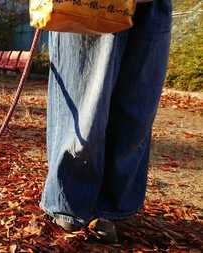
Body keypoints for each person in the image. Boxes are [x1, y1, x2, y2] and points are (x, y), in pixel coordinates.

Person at [40, 0, 172, 241]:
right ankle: (71, 204)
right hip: (92, 4)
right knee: (87, 102)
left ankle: (110, 205)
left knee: (137, 110)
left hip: (152, 5)